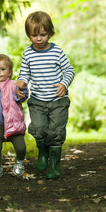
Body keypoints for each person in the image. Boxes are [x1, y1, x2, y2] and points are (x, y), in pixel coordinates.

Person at [16, 11, 75, 179]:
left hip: (58, 101)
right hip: (37, 101)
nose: (39, 39)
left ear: (50, 32)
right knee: (40, 129)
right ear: (29, 35)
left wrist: (64, 83)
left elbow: (69, 70)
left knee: (55, 132)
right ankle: (42, 152)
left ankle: (54, 165)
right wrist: (21, 83)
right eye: (35, 35)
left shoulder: (56, 51)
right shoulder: (28, 54)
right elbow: (24, 74)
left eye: (43, 34)